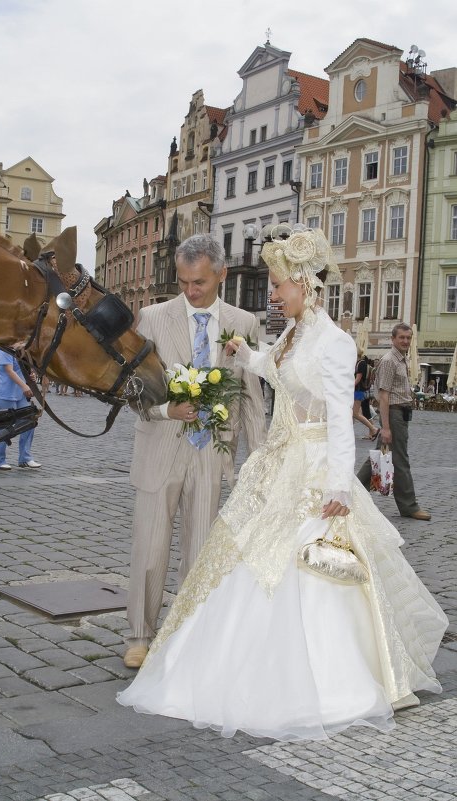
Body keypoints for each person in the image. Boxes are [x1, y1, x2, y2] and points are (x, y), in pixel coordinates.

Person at [117, 226, 447, 740]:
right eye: (271, 286)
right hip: (277, 463)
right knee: (243, 558)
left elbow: (341, 419)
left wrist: (339, 486)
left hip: (312, 470)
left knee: (299, 569)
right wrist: (241, 354)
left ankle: (315, 680)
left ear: (304, 285)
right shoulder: (294, 334)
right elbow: (270, 368)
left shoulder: (335, 344)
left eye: (278, 286)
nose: (272, 294)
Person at [124, 234, 266, 669]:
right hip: (160, 446)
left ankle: (187, 633)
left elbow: (251, 397)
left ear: (221, 274)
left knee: (199, 550)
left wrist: (260, 460)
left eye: (199, 282)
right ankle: (139, 636)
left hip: (212, 452)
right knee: (149, 549)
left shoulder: (243, 324)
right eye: (184, 282)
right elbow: (129, 386)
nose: (190, 290)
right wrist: (167, 407)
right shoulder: (150, 318)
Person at [357, 324, 431, 521]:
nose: (405, 341)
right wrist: (386, 427)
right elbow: (383, 396)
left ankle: (351, 495)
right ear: (393, 339)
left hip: (401, 415)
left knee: (376, 459)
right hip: (394, 415)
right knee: (401, 461)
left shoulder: (402, 359)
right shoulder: (390, 361)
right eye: (402, 338)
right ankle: (409, 506)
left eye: (408, 338)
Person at [0, 350, 41, 471]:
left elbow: (24, 370)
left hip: (19, 395)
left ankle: (25, 458)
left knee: (29, 423)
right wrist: (24, 386)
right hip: (5, 394)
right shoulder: (5, 349)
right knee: (3, 428)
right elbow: (9, 370)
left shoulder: (23, 351)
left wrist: (30, 376)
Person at [353, 351, 379, 440]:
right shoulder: (361, 363)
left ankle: (373, 429)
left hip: (358, 391)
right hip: (359, 390)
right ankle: (372, 430)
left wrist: (347, 387)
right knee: (356, 413)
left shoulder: (361, 364)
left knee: (355, 413)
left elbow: (358, 379)